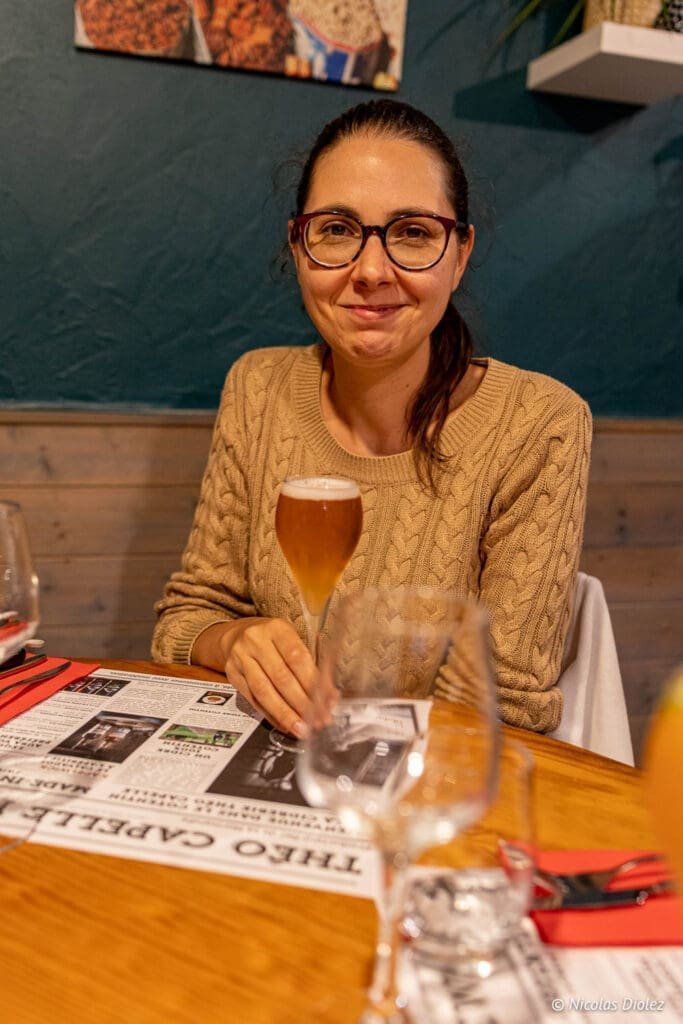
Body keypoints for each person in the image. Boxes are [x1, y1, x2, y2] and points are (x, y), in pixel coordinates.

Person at [152, 99, 591, 740]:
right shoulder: (257, 389)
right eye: (337, 229)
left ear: (460, 253)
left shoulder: (539, 425)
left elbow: (506, 709)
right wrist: (235, 640)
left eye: (413, 232)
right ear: (299, 246)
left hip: (423, 798)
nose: (371, 271)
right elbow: (184, 618)